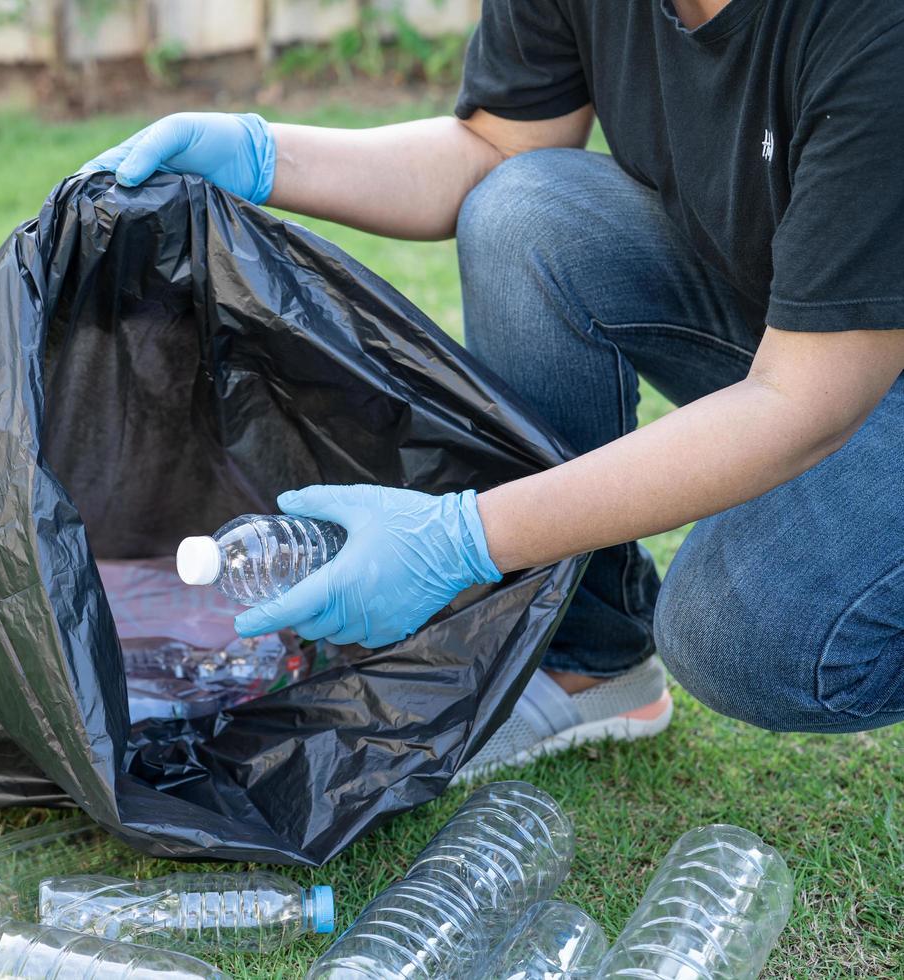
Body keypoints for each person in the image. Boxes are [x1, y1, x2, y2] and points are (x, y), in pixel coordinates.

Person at [83, 0, 904, 775]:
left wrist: (462, 538)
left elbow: (804, 401)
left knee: (741, 630)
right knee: (525, 211)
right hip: (806, 330)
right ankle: (591, 660)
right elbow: (495, 147)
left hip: (832, 371)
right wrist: (260, 153)